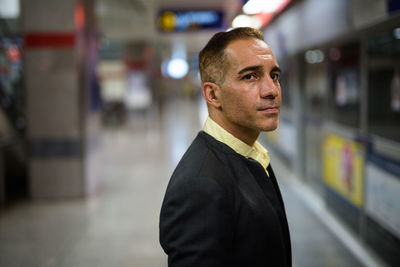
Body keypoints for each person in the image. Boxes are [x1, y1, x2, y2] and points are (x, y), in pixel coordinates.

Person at [159, 27, 291, 267]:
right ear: (213, 94)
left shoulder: (250, 155)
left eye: (274, 75)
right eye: (250, 76)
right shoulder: (199, 186)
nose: (271, 90)